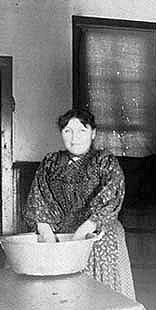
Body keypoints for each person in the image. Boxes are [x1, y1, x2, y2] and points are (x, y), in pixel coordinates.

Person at [24, 108, 135, 299]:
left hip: (98, 234)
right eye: (68, 131)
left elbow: (110, 198)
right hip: (60, 236)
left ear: (93, 133)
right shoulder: (51, 162)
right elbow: (38, 199)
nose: (74, 138)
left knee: (99, 297)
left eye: (82, 131)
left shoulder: (104, 161)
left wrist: (82, 235)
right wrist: (49, 239)